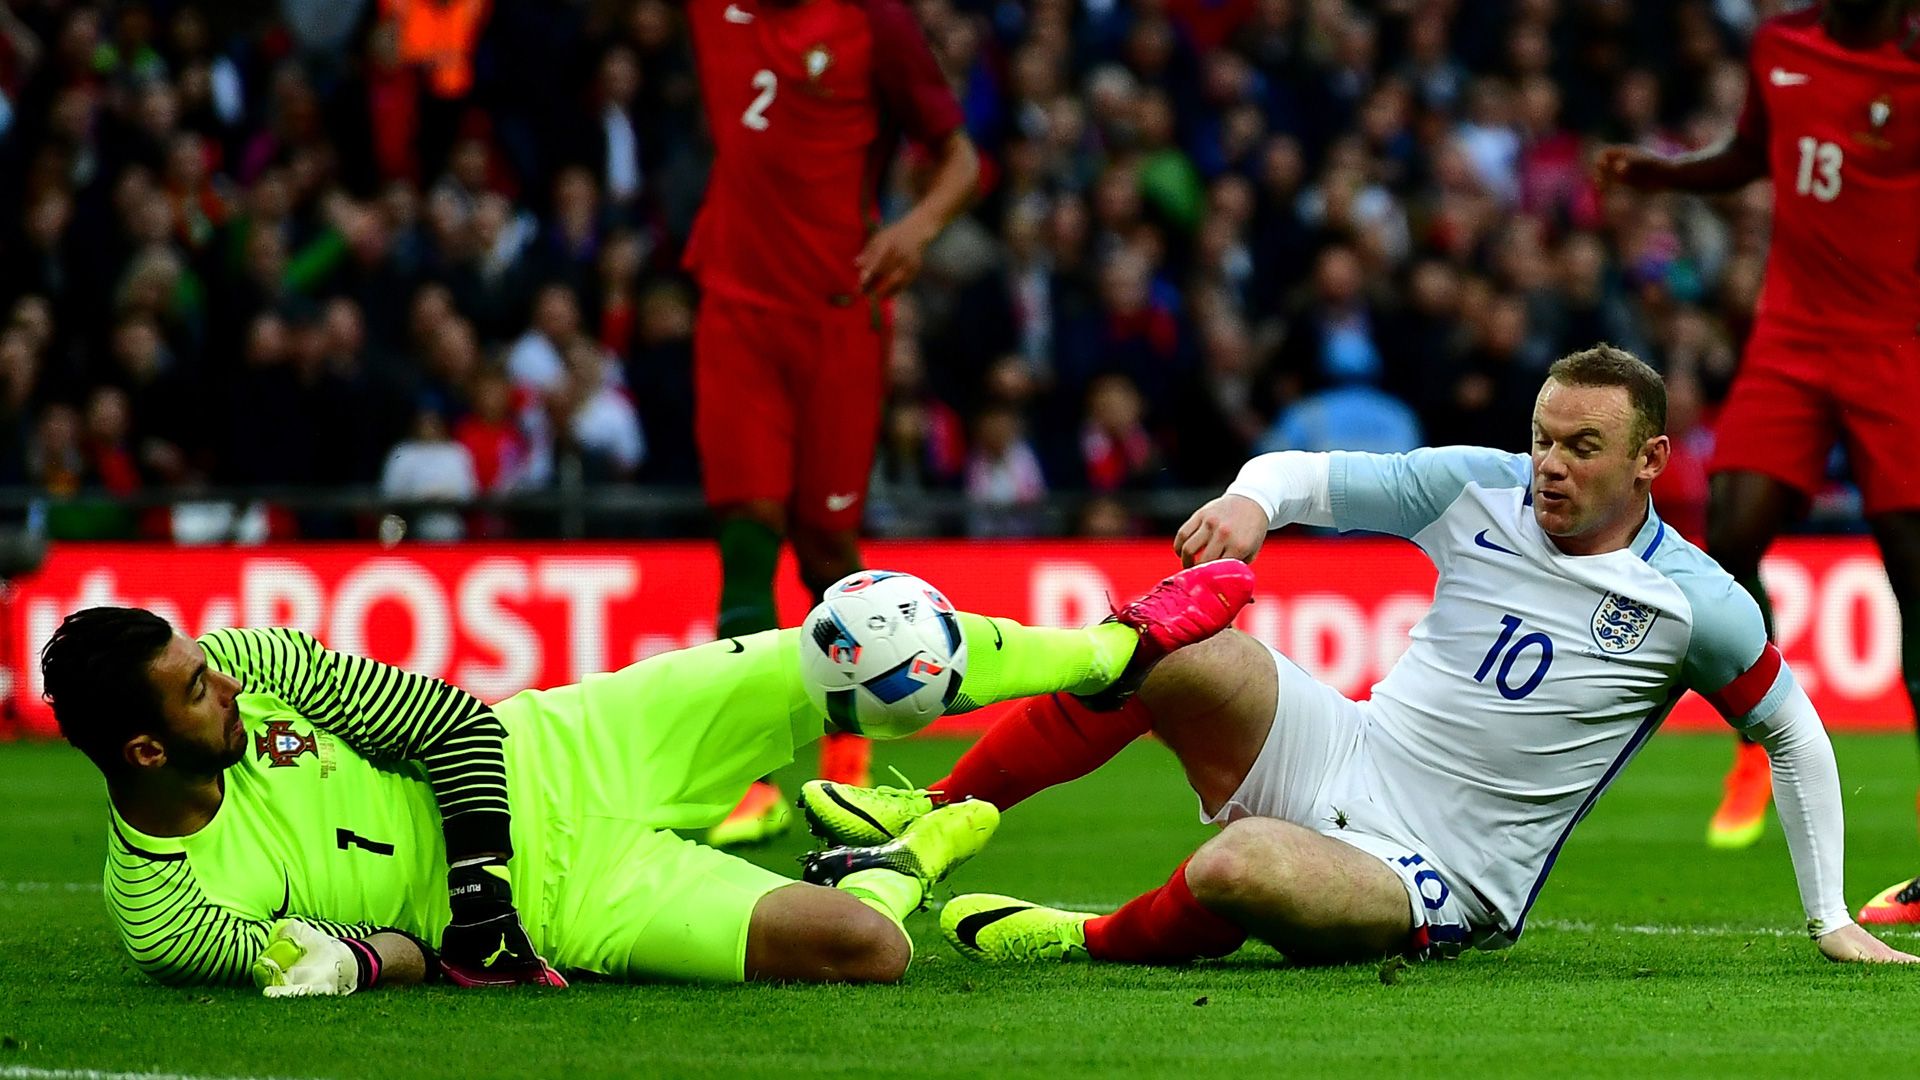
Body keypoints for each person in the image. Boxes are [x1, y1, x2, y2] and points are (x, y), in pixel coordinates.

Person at [801, 346, 1916, 967]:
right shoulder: (1476, 485)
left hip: (1445, 873)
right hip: (1346, 747)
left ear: (1652, 461)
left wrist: (1826, 920)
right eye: (1543, 439)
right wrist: (1248, 506)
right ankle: (937, 821)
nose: (1551, 467)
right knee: (1173, 645)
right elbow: (1299, 473)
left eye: (1583, 448)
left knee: (1242, 872)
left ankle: (1087, 941)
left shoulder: (1693, 604)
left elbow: (1794, 730)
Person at [42, 561, 1251, 994]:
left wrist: (476, 913)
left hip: (569, 744)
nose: (231, 687)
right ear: (143, 752)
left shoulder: (256, 658)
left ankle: (1120, 641)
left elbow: (455, 727)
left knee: (862, 636)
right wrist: (444, 943)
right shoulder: (163, 912)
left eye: (212, 667)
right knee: (864, 951)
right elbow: (370, 962)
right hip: (577, 895)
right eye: (199, 695)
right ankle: (903, 851)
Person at [1593, 0, 1920, 898]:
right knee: (1730, 540)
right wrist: (1660, 177)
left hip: (1895, 338)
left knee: (1916, 577)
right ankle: (1763, 727)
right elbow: (1751, 155)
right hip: (1793, 334)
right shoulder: (1782, 43)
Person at [682, 0, 982, 847]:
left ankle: (845, 768)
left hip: (836, 317)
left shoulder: (873, 22)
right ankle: (739, 781)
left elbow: (961, 158)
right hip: (736, 309)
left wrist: (916, 229)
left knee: (823, 544)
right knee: (745, 538)